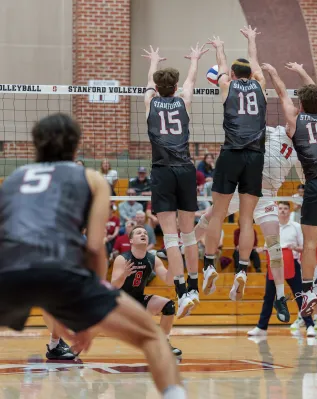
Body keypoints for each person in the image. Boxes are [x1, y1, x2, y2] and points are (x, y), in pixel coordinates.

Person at [0, 113, 186, 398]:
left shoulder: (13, 179)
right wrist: (89, 314)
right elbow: (95, 247)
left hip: (8, 270)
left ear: (35, 144)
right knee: (152, 338)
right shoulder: (92, 179)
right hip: (60, 271)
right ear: (76, 147)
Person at [261, 61, 317, 317]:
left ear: (300, 105)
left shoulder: (295, 121)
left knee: (310, 244)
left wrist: (274, 72)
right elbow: (316, 93)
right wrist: (301, 71)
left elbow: (281, 93)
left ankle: (309, 289)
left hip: (316, 185)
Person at [195, 125, 304, 321]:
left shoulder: (300, 148)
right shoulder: (275, 130)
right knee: (208, 217)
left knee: (274, 245)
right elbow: (251, 125)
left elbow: (305, 178)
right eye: (288, 120)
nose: (289, 124)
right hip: (247, 188)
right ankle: (179, 248)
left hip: (265, 196)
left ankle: (280, 296)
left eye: (293, 122)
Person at [142, 43, 209, 318]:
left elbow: (148, 83)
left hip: (162, 170)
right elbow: (191, 81)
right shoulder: (184, 101)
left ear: (157, 88)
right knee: (189, 233)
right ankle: (193, 288)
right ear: (176, 86)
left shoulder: (149, 103)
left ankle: (182, 293)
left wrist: (154, 61)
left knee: (170, 236)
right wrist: (194, 59)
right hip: (185, 170)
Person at [203, 26, 267, 300]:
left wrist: (219, 47)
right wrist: (252, 40)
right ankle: (241, 270)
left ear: (231, 75)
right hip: (255, 156)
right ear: (251, 75)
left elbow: (220, 67)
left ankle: (208, 265)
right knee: (246, 219)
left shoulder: (226, 86)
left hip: (231, 153)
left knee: (217, 214)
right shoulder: (261, 86)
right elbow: (255, 65)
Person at [247, 202, 316, 337]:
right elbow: (268, 246)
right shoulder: (271, 226)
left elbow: (305, 248)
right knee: (269, 296)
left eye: (285, 209)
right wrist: (263, 249)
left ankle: (310, 326)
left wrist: (295, 248)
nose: (283, 211)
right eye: (280, 209)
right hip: (275, 264)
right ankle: (261, 327)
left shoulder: (296, 227)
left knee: (299, 295)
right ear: (277, 211)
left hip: (292, 263)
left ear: (289, 211)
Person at [111, 226, 182, 356]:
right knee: (94, 325)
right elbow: (114, 286)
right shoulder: (122, 259)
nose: (143, 234)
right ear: (131, 240)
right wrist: (124, 274)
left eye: (145, 233)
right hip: (119, 304)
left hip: (138, 301)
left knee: (169, 306)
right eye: (138, 233)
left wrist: (173, 262)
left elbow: (169, 280)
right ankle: (70, 348)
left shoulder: (153, 258)